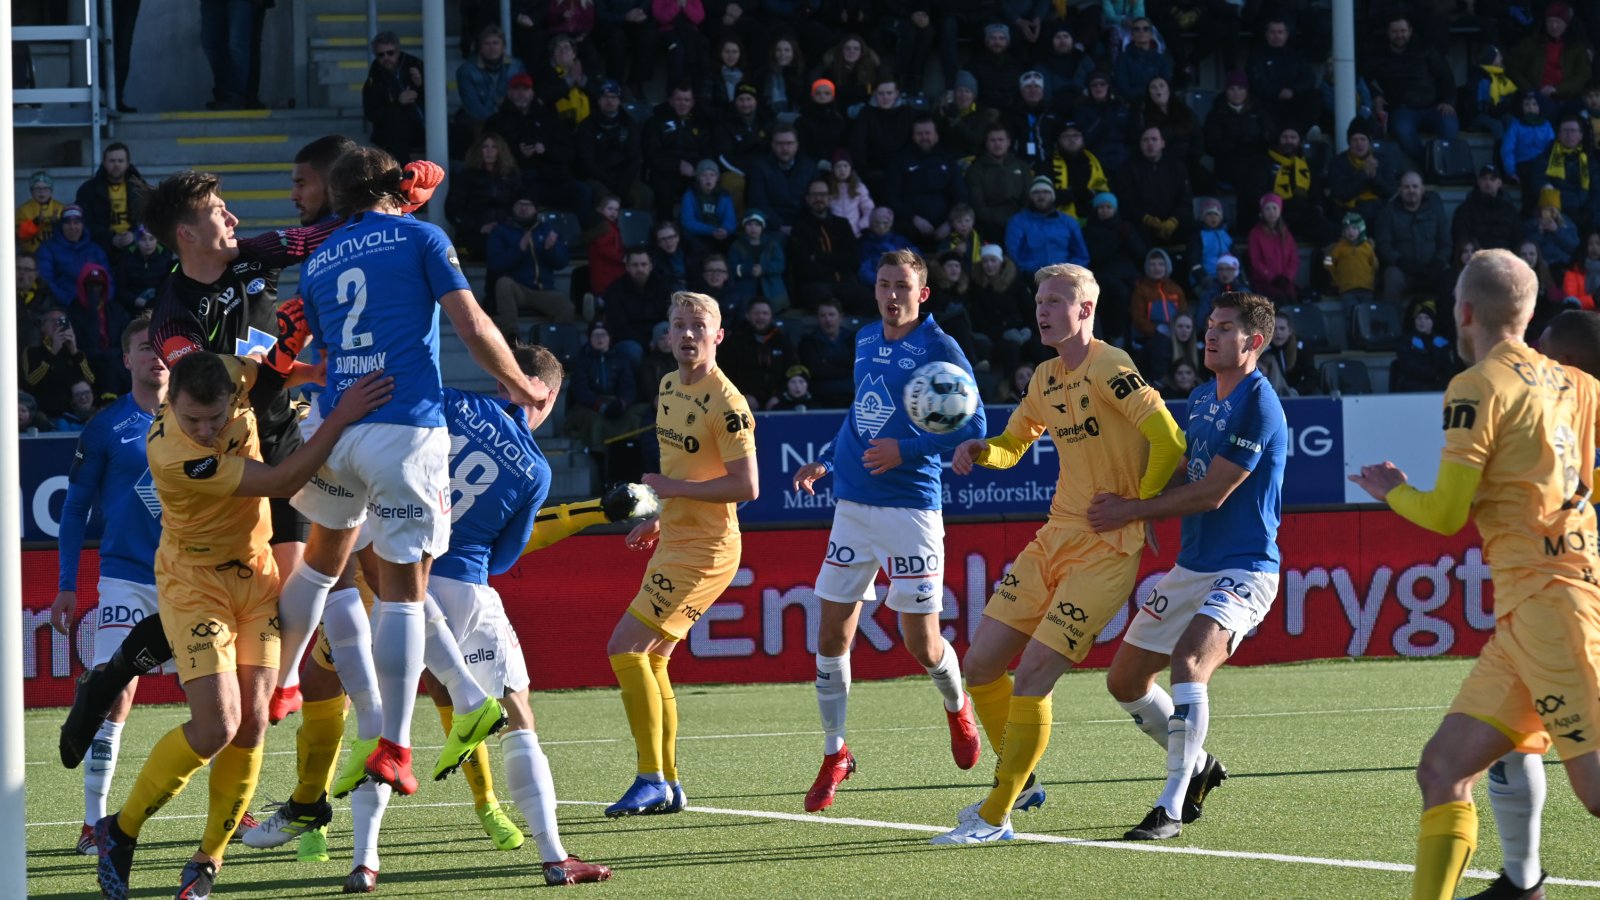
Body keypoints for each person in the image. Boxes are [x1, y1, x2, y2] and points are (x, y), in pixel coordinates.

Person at [92, 350, 392, 900]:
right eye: (191, 419)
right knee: (216, 727)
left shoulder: (233, 374)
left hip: (255, 576)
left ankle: (208, 860)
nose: (204, 430)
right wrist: (343, 413)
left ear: (233, 395)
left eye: (214, 418)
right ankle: (121, 829)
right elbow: (281, 480)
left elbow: (270, 372)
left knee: (253, 724)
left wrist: (311, 373)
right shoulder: (175, 454)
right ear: (171, 404)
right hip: (195, 583)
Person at [292, 147, 542, 804]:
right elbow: (471, 323)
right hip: (404, 427)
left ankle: (285, 681)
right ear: (394, 190)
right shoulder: (421, 236)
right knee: (402, 590)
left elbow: (326, 350)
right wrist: (521, 383)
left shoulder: (318, 261)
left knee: (329, 568)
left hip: (337, 428)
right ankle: (394, 746)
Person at [1348, 249, 1600, 900]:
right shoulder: (1579, 385)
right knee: (1441, 769)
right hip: (1535, 610)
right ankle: (1521, 886)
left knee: (1597, 793)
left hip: (1553, 606)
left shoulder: (1476, 386)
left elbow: (1445, 514)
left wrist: (1394, 490)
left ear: (1463, 313)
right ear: (1529, 310)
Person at [930, 263, 1185, 844]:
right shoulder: (1045, 376)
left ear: (1085, 310)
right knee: (980, 666)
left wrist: (1137, 508)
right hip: (1054, 538)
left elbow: (1168, 438)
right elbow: (1014, 443)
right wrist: (982, 449)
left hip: (1108, 547)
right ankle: (1021, 779)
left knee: (1034, 677)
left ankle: (996, 814)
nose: (1042, 310)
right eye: (1039, 299)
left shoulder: (1111, 365)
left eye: (1055, 301)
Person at [791, 249, 987, 813]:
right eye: (884, 285)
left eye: (903, 285)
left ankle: (957, 708)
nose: (892, 295)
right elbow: (863, 413)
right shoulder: (863, 340)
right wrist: (827, 460)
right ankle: (835, 754)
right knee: (830, 636)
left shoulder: (940, 348)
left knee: (920, 643)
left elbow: (974, 426)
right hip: (852, 503)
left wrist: (909, 447)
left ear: (922, 293)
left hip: (910, 510)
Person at [1089, 291, 1286, 841]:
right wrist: (1146, 501)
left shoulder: (1260, 404)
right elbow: (1185, 472)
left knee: (1189, 663)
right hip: (1192, 565)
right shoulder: (1200, 397)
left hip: (1245, 568)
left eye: (1225, 328)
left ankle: (1171, 807)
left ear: (1255, 341)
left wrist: (1136, 509)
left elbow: (1215, 492)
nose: (1211, 335)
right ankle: (1199, 767)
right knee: (1124, 680)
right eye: (1210, 326)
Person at [603, 291, 758, 816]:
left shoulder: (728, 404)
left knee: (625, 648)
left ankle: (649, 777)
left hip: (708, 550)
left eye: (698, 326)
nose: (688, 335)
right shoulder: (668, 386)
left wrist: (668, 489)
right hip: (675, 539)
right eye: (678, 325)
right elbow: (689, 478)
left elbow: (747, 487)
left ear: (719, 336)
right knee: (654, 658)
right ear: (667, 335)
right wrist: (658, 516)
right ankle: (667, 783)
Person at [47, 317, 166, 856]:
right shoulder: (105, 426)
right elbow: (74, 509)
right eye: (145, 347)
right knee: (113, 694)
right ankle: (94, 821)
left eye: (163, 346)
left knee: (222, 699)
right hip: (125, 578)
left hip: (192, 578)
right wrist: (67, 584)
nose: (157, 356)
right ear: (127, 359)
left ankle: (229, 802)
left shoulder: (204, 416)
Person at [1362, 15, 1459, 167]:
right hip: (1403, 109)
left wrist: (1448, 101)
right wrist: (1376, 95)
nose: (1399, 35)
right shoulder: (1378, 56)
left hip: (1433, 106)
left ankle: (1444, 166)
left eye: (1403, 31)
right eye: (1395, 31)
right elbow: (1363, 80)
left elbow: (1446, 77)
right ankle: (1429, 165)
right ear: (1388, 32)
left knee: (1450, 127)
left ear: (1410, 31)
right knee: (1403, 132)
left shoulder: (1426, 49)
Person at [488, 197, 574, 341]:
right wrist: (519, 250)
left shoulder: (546, 229)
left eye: (528, 205)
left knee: (566, 307)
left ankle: (557, 344)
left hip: (543, 290)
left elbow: (562, 263)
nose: (524, 208)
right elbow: (495, 264)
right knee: (503, 283)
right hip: (518, 289)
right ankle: (511, 336)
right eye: (520, 204)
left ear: (535, 209)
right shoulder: (501, 231)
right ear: (513, 208)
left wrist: (551, 250)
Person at [884, 116, 968, 247]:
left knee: (962, 236)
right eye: (919, 134)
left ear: (936, 136)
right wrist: (914, 219)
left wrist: (950, 223)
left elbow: (961, 194)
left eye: (928, 133)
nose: (924, 137)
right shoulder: (899, 160)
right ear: (913, 136)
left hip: (946, 227)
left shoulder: (947, 160)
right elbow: (890, 196)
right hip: (909, 225)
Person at [1376, 172, 1453, 303]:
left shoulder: (1435, 210)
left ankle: (1447, 322)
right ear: (1399, 190)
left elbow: (1446, 242)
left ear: (1422, 189)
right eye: (1406, 187)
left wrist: (1438, 262)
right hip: (1403, 271)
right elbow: (1384, 246)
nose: (1411, 190)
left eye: (1415, 186)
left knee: (1450, 277)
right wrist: (1402, 262)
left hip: (1432, 269)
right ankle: (1391, 321)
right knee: (1392, 277)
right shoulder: (1388, 213)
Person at [447, 133, 524, 261]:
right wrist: (479, 226)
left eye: (494, 147)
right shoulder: (466, 176)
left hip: (506, 232)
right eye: (485, 147)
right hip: (476, 236)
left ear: (500, 151)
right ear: (479, 150)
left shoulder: (512, 176)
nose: (489, 151)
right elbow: (452, 210)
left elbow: (519, 203)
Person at [790, 179, 862, 312]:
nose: (818, 198)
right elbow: (803, 266)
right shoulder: (800, 227)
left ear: (829, 198)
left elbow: (853, 259)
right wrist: (837, 262)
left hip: (845, 283)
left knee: (867, 300)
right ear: (807, 199)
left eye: (823, 195)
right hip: (816, 285)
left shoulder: (842, 224)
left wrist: (819, 257)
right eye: (814, 195)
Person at [1117, 126, 1194, 247]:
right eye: (1145, 140)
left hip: (1176, 227)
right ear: (1140, 144)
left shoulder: (1177, 167)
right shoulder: (1129, 168)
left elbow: (1185, 200)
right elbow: (1127, 202)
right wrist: (1147, 219)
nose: (1150, 144)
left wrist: (1174, 221)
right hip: (1143, 228)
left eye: (1154, 139)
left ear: (1163, 143)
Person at [1005, 176, 1090, 278]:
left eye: (1046, 192)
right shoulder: (1018, 221)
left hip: (1064, 278)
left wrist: (1068, 273)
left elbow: (1081, 255)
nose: (1041, 196)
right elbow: (1012, 254)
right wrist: (1031, 272)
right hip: (1030, 278)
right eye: (1036, 192)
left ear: (1052, 196)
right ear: (1030, 196)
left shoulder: (1068, 222)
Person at [361, 32, 427, 163]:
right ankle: (406, 172)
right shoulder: (374, 77)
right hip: (392, 131)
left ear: (398, 51)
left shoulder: (415, 65)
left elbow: (440, 96)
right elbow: (372, 113)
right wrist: (397, 101)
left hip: (421, 124)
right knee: (397, 120)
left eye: (390, 53)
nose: (386, 58)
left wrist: (421, 85)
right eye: (381, 55)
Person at [720, 297, 796, 409]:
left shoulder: (782, 340)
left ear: (771, 316)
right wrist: (741, 395)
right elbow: (724, 374)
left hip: (777, 399)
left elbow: (793, 370)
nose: (761, 317)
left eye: (765, 313)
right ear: (748, 315)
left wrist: (779, 396)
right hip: (742, 400)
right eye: (756, 313)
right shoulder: (734, 341)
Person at [454, 25, 525, 143]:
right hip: (479, 121)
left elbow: (521, 98)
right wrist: (496, 123)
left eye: (496, 43)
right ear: (480, 47)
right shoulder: (466, 70)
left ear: (503, 46)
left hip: (510, 118)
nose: (492, 47)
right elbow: (473, 106)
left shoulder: (516, 66)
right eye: (487, 43)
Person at [22, 308, 96, 420]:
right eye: (52, 321)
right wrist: (53, 353)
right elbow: (31, 381)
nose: (57, 324)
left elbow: (90, 380)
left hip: (74, 414)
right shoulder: (31, 352)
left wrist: (74, 351)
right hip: (46, 413)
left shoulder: (77, 354)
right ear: (42, 327)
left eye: (62, 321)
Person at [967, 124, 1032, 243]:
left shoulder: (1022, 167)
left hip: (1019, 221)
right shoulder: (976, 169)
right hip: (989, 225)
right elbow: (978, 204)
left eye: (1001, 140)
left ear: (1008, 142)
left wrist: (1017, 220)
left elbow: (1028, 198)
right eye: (993, 140)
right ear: (986, 143)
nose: (997, 144)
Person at [76, 144, 145, 256]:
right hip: (101, 247)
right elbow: (84, 222)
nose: (116, 165)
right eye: (112, 161)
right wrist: (111, 239)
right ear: (104, 163)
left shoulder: (140, 188)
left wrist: (134, 234)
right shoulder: (88, 190)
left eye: (120, 161)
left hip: (135, 245)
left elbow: (149, 219)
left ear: (127, 164)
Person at [38, 205, 110, 309]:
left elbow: (108, 279)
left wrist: (102, 301)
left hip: (94, 306)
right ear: (61, 225)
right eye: (67, 223)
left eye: (77, 222)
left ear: (83, 225)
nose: (72, 227)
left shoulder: (95, 249)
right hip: (62, 306)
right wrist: (71, 301)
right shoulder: (47, 248)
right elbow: (46, 281)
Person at [798, 298, 856, 407]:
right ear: (817, 318)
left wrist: (827, 361)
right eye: (823, 316)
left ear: (840, 317)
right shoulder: (808, 342)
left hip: (853, 395)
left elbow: (858, 366)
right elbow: (816, 370)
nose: (828, 319)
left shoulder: (854, 339)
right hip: (821, 396)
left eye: (831, 315)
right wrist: (848, 370)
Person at [1453, 164, 1523, 252]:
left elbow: (1518, 240)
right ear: (1478, 182)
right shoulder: (1465, 210)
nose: (1488, 183)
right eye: (1484, 179)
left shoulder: (1510, 211)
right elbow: (1462, 239)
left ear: (1499, 183)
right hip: (1477, 259)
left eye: (1492, 179)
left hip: (1504, 260)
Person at [17, 170, 65, 254]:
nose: (41, 192)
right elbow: (19, 235)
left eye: (45, 188)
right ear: (31, 191)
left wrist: (57, 223)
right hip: (31, 255)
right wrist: (35, 223)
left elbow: (70, 235)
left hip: (56, 254)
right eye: (37, 189)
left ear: (51, 191)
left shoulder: (61, 208)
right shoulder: (23, 210)